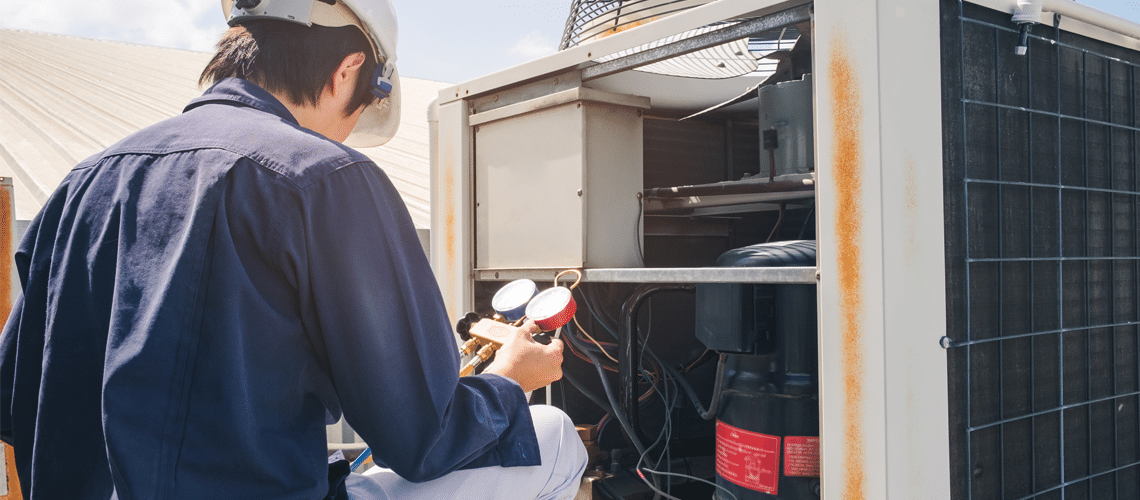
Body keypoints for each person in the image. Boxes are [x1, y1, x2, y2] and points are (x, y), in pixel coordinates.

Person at [0, 0, 586, 498]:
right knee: (555, 436)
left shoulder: (83, 184)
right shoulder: (328, 178)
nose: (348, 133)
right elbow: (421, 438)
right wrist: (509, 380)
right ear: (348, 70)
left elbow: (14, 400)